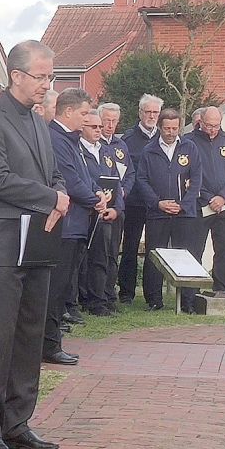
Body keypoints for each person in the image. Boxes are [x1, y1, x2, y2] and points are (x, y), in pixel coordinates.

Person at [0, 40, 69, 449]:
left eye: (51, 77)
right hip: (3, 244)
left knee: (29, 336)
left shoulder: (39, 122)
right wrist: (50, 198)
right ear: (17, 76)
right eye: (42, 77)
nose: (48, 85)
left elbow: (56, 172)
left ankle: (18, 421)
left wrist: (59, 191)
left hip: (38, 244)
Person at [45, 89, 109, 365]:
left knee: (63, 286)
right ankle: (48, 344)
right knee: (56, 287)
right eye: (83, 114)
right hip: (66, 224)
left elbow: (84, 175)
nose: (86, 120)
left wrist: (98, 192)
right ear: (68, 111)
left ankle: (52, 340)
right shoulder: (57, 139)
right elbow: (68, 179)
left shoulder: (71, 140)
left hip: (78, 223)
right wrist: (93, 198)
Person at [135, 108, 202, 312]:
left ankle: (188, 302)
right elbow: (142, 180)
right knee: (155, 256)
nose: (171, 132)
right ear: (160, 127)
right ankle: (154, 300)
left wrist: (183, 205)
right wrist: (158, 203)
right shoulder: (149, 150)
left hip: (184, 215)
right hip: (158, 213)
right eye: (167, 128)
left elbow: (197, 179)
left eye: (174, 128)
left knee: (186, 256)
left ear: (179, 127)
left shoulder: (190, 148)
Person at [188, 106, 225, 294]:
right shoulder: (189, 142)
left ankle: (222, 289)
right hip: (199, 205)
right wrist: (209, 198)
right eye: (209, 125)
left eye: (216, 126)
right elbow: (188, 176)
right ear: (200, 122)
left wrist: (223, 197)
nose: (212, 129)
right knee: (195, 250)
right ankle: (192, 293)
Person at [78, 109, 124, 316]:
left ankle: (99, 300)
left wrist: (116, 208)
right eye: (93, 127)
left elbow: (116, 182)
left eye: (99, 127)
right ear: (83, 127)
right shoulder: (77, 150)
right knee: (81, 259)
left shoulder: (106, 151)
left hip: (106, 214)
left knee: (101, 258)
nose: (99, 130)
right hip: (85, 212)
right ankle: (81, 299)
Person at [118, 93, 162, 303]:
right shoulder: (127, 139)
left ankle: (152, 294)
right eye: (148, 112)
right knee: (130, 248)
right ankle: (126, 293)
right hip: (134, 202)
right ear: (140, 113)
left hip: (156, 204)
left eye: (155, 112)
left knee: (155, 250)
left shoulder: (165, 138)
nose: (152, 116)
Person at [96, 103, 135, 304]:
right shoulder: (94, 143)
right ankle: (95, 294)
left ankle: (110, 293)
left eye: (114, 121)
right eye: (106, 120)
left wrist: (124, 190)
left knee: (113, 252)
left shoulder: (121, 146)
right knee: (98, 254)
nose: (110, 125)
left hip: (118, 207)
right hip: (99, 206)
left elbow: (130, 173)